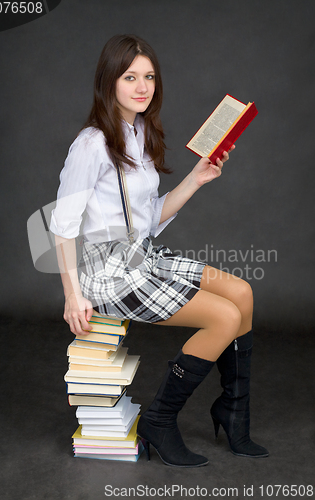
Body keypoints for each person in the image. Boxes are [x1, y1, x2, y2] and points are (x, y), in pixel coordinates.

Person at [50, 34, 268, 467]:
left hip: (142, 254)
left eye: (148, 76)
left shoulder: (141, 130)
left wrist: (196, 179)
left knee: (241, 292)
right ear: (109, 81)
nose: (142, 86)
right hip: (108, 271)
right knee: (223, 317)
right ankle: (160, 421)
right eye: (130, 77)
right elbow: (61, 226)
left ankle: (234, 412)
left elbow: (147, 217)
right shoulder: (92, 144)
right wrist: (72, 295)